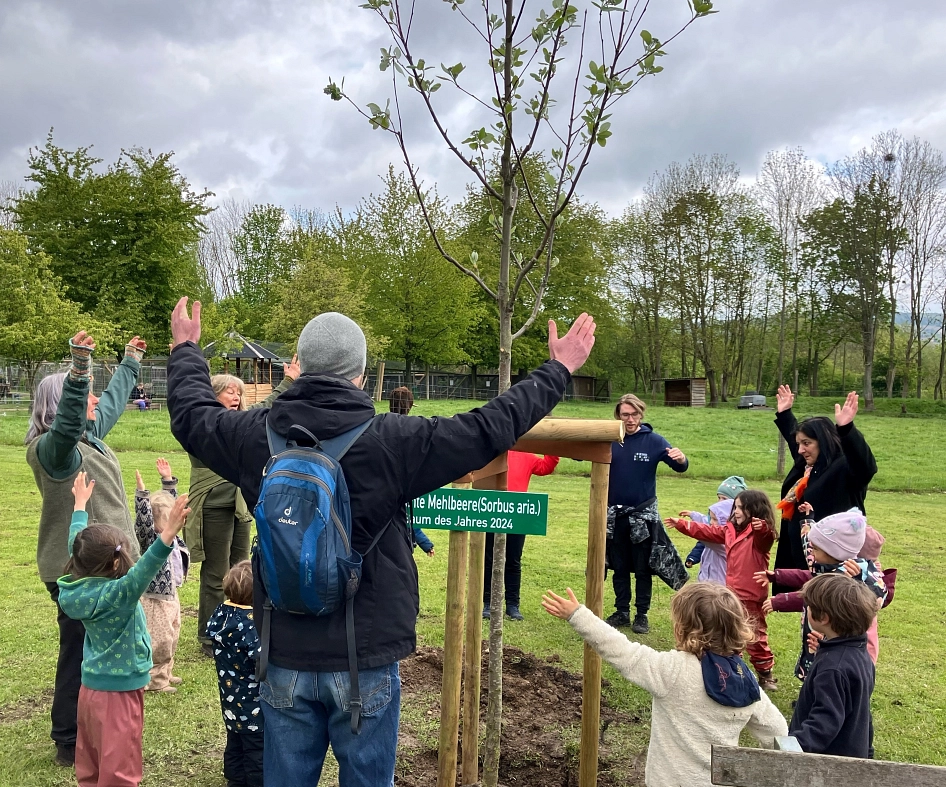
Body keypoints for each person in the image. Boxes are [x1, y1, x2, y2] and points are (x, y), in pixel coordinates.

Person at [165, 298, 596, 786]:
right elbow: (488, 427)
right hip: (363, 655)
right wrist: (559, 368)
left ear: (299, 367)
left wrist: (186, 348)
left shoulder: (251, 434)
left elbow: (190, 414)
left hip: (282, 649)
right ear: (363, 375)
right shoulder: (398, 440)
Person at [25, 330, 146, 767]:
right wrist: (80, 370)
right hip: (79, 570)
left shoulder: (88, 440)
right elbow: (70, 424)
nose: (94, 401)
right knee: (77, 651)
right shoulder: (52, 452)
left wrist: (131, 361)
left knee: (94, 649)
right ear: (62, 407)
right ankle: (68, 739)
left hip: (106, 564)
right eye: (84, 397)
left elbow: (109, 403)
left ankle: (94, 723)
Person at [542, 582, 787, 787]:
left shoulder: (672, 670)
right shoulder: (745, 678)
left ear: (684, 628)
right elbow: (776, 730)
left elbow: (623, 651)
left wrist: (577, 615)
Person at [59, 471, 191, 787]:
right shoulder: (119, 594)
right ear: (117, 564)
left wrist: (80, 506)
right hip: (120, 692)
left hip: (90, 690)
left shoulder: (76, 589)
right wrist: (168, 533)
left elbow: (75, 544)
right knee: (120, 770)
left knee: (90, 763)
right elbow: (145, 569)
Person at [184, 356, 300, 656]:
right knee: (216, 571)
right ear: (213, 396)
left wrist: (288, 384)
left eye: (238, 393)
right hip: (213, 504)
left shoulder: (242, 425)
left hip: (241, 506)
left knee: (243, 568)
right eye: (228, 392)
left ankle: (241, 625)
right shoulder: (205, 427)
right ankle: (211, 636)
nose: (235, 397)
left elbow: (265, 410)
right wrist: (287, 382)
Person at [666, 490, 780, 691]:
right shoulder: (729, 530)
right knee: (731, 631)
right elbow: (706, 532)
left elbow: (766, 537)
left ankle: (765, 673)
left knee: (755, 635)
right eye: (735, 507)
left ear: (754, 510)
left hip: (752, 595)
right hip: (732, 594)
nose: (735, 511)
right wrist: (683, 524)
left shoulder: (760, 535)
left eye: (740, 507)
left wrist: (762, 528)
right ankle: (734, 668)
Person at [757, 509, 887, 681]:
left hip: (839, 642)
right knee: (818, 668)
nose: (812, 552)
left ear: (834, 551)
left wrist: (856, 586)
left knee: (830, 674)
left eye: (816, 549)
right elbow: (808, 562)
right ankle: (812, 697)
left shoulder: (852, 574)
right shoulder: (826, 565)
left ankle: (820, 701)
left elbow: (877, 598)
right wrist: (807, 519)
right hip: (820, 636)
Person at [772, 387, 877, 592]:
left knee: (828, 608)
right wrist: (785, 414)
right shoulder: (809, 466)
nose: (801, 450)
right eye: (799, 444)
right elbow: (799, 447)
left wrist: (846, 428)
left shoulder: (845, 469)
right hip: (805, 556)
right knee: (809, 609)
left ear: (825, 441)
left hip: (833, 562)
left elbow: (866, 466)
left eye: (807, 443)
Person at [606, 393, 689, 634]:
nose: (630, 419)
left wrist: (681, 458)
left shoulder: (653, 441)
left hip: (642, 518)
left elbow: (680, 466)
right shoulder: (610, 439)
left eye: (634, 415)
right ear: (618, 416)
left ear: (641, 415)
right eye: (625, 415)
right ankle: (621, 611)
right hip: (614, 517)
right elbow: (581, 454)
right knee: (619, 567)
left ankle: (641, 614)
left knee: (643, 568)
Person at [789, 573, 877, 758]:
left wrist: (794, 747)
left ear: (824, 618)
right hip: (853, 756)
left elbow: (825, 720)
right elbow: (862, 711)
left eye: (809, 607)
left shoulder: (833, 667)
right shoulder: (860, 655)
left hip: (828, 764)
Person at [483, 450, 560, 621]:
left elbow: (545, 467)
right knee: (489, 560)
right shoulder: (493, 452)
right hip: (491, 511)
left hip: (518, 515)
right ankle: (488, 602)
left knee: (513, 560)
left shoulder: (525, 455)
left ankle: (512, 605)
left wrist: (554, 448)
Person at [134, 458, 190, 692]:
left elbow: (172, 505)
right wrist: (142, 495)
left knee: (172, 634)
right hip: (155, 598)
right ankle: (155, 680)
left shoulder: (173, 534)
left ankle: (165, 672)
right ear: (158, 524)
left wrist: (167, 480)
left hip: (171, 594)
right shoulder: (151, 540)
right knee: (160, 640)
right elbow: (145, 521)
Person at [207, 561, 264, 787]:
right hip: (253, 703)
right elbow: (260, 660)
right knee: (256, 748)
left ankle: (235, 778)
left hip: (230, 696)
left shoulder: (221, 613)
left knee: (235, 741)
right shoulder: (251, 624)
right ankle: (256, 781)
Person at [683, 475, 747, 578]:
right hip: (706, 577)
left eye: (724, 498)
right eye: (719, 497)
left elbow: (706, 535)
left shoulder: (732, 534)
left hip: (720, 581)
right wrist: (693, 515)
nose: (720, 501)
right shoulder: (715, 521)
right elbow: (705, 524)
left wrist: (685, 526)